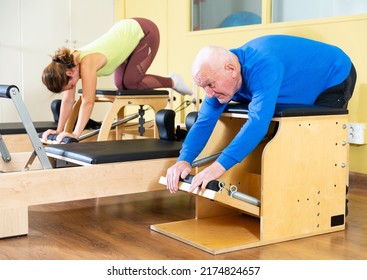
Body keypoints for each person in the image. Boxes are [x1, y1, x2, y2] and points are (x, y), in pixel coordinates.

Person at [166, 34, 356, 194]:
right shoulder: (221, 73)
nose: (209, 94)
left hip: (335, 73)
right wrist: (184, 160)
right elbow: (204, 122)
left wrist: (217, 167)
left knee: (320, 141)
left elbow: (257, 123)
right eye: (203, 87)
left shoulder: (262, 65)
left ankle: (336, 202)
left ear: (231, 70)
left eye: (210, 85)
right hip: (300, 81)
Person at [41, 17, 192, 143]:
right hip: (126, 35)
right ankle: (172, 81)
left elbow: (88, 101)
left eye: (69, 86)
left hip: (144, 31)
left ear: (68, 73)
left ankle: (173, 81)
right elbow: (68, 101)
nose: (71, 88)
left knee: (131, 82)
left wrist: (75, 134)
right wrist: (59, 130)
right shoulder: (69, 66)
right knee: (122, 84)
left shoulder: (86, 63)